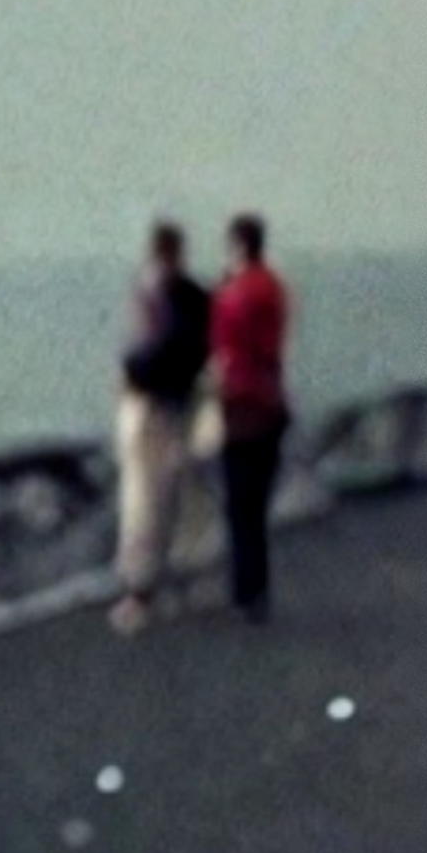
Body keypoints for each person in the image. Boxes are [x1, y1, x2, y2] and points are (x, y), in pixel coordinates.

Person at [106, 220, 213, 635]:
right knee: (181, 498)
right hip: (181, 403)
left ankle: (141, 593)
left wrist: (133, 369)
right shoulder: (193, 293)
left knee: (144, 500)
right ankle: (188, 580)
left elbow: (164, 346)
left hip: (154, 404)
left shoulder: (166, 292)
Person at [206, 212, 289, 621]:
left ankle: (245, 593)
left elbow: (222, 343)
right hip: (270, 401)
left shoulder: (236, 293)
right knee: (256, 505)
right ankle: (257, 589)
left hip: (241, 405)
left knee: (240, 505)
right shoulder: (273, 286)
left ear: (238, 244)